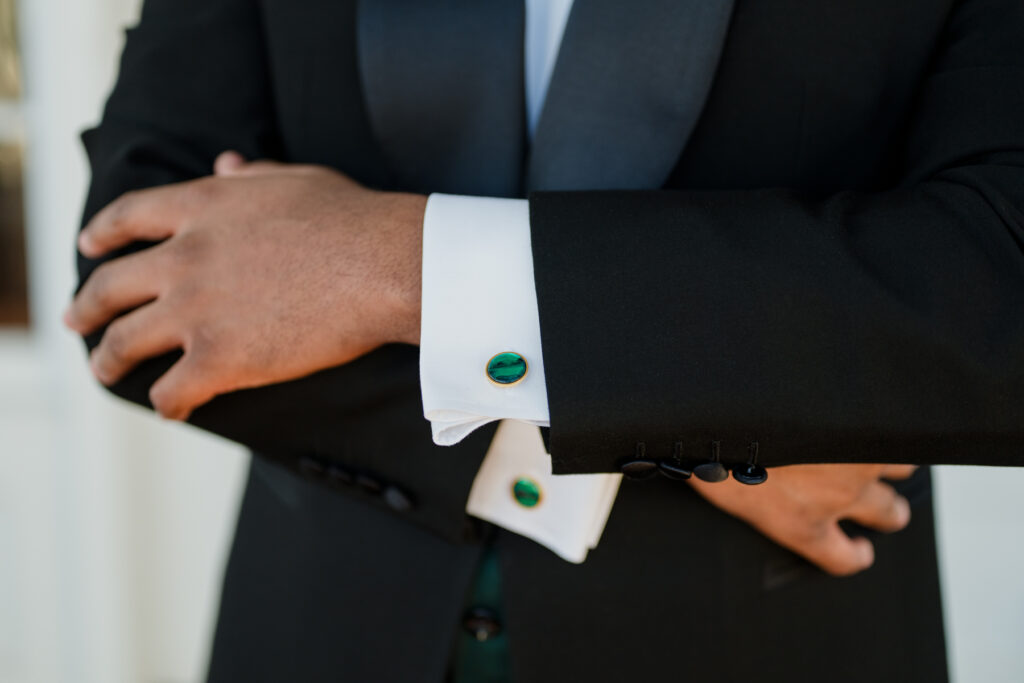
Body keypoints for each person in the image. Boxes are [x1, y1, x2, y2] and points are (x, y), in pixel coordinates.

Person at [64, 0, 1024, 681]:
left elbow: (996, 289)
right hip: (325, 623)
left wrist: (397, 265)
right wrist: (708, 430)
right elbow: (135, 280)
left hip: (769, 639)